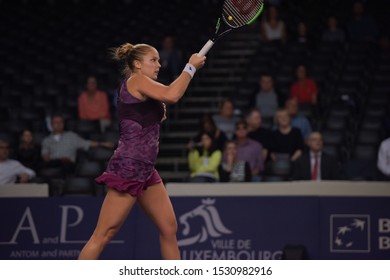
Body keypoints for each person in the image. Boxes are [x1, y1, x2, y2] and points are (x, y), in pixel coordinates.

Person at [78, 43, 206, 260]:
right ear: (137, 64)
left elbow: (153, 107)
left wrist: (158, 109)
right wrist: (190, 67)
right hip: (128, 167)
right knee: (103, 234)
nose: (159, 64)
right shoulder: (136, 80)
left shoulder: (143, 86)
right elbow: (172, 94)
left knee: (168, 228)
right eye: (153, 60)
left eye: (158, 59)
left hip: (146, 170)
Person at [41, 113, 114, 176]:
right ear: (51, 124)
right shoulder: (46, 140)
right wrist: (56, 160)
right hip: (53, 165)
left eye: (61, 122)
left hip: (68, 166)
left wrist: (103, 144)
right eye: (56, 122)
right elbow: (45, 157)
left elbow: (87, 143)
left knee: (66, 166)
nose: (59, 124)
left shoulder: (72, 136)